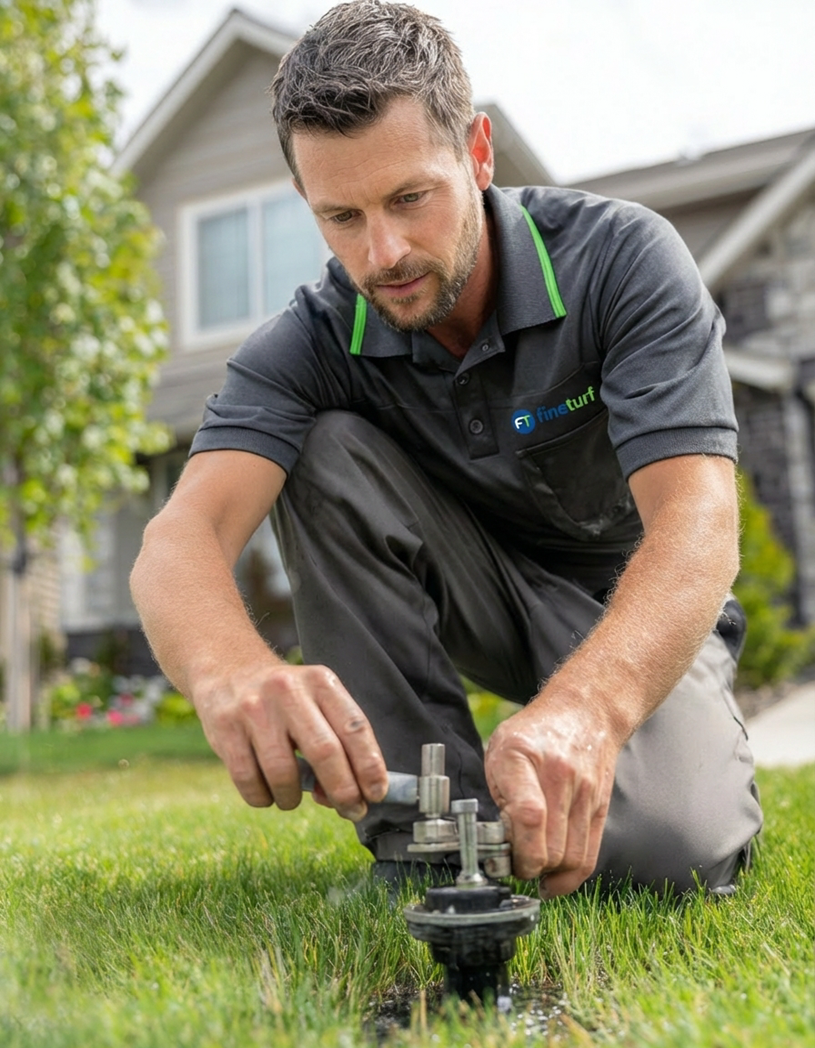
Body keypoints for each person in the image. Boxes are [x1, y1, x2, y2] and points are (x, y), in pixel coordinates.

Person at [130, 0, 762, 898]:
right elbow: (177, 538)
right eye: (339, 216)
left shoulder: (621, 261)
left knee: (668, 863)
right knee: (320, 445)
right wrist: (229, 670)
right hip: (477, 594)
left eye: (408, 199)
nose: (381, 251)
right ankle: (423, 836)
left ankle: (653, 765)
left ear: (476, 152)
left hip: (629, 606)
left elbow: (699, 521)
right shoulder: (309, 342)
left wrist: (585, 712)